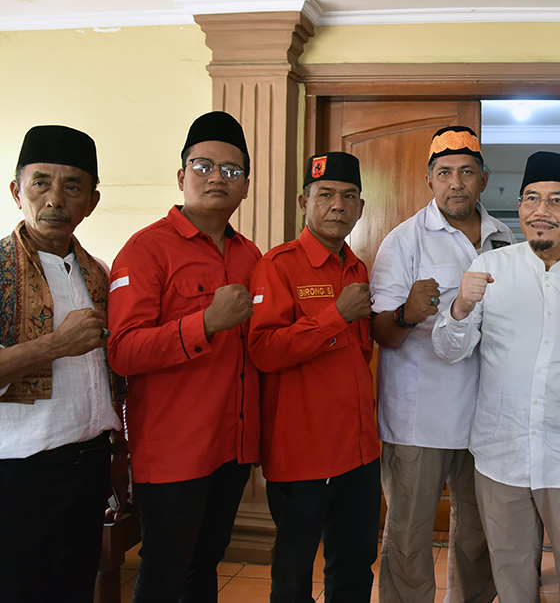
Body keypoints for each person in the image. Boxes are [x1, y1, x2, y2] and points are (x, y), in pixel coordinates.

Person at [433, 151, 560, 603]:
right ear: (519, 208)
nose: (541, 211)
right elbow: (448, 350)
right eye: (531, 199)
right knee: (513, 581)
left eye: (556, 201)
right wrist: (459, 306)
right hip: (502, 455)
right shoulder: (489, 271)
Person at [108, 111, 262, 602]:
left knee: (204, 566)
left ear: (245, 186)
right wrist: (204, 323)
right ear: (181, 176)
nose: (217, 177)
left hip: (231, 446)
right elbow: (123, 352)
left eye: (232, 171)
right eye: (204, 165)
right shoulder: (145, 250)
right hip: (174, 452)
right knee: (163, 574)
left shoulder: (250, 256)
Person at [370, 126, 510, 603]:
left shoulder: (503, 237)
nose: (457, 183)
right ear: (429, 180)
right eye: (445, 172)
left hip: (486, 419)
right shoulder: (404, 241)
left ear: (483, 179)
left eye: (467, 172)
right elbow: (382, 334)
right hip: (419, 418)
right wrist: (409, 312)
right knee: (409, 538)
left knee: (478, 537)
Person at [0, 125, 128, 602]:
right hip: (19, 475)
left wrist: (116, 455)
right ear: (17, 191)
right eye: (41, 183)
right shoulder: (0, 268)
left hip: (88, 468)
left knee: (75, 588)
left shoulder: (98, 272)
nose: (55, 198)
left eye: (72, 185)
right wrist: (53, 345)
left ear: (91, 201)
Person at [247, 151, 380, 602]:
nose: (337, 205)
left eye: (348, 196)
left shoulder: (358, 268)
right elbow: (264, 351)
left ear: (360, 208)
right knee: (294, 573)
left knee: (356, 566)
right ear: (304, 202)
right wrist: (334, 316)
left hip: (359, 452)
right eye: (325, 195)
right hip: (303, 454)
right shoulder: (278, 266)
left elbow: (359, 356)